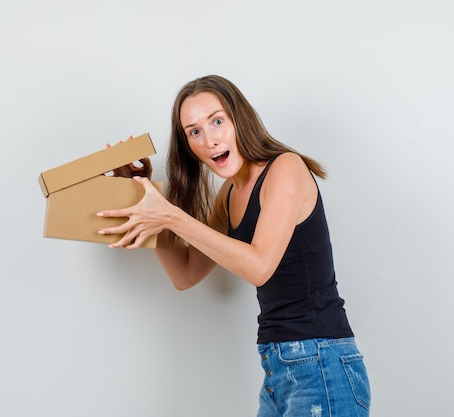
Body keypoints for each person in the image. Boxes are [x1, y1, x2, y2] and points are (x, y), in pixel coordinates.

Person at [97, 75, 371, 417]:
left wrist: (170, 217)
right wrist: (142, 194)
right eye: (194, 131)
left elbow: (259, 267)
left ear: (239, 118)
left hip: (321, 365)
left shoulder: (286, 168)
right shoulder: (228, 195)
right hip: (278, 368)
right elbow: (185, 273)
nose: (209, 140)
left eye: (217, 121)